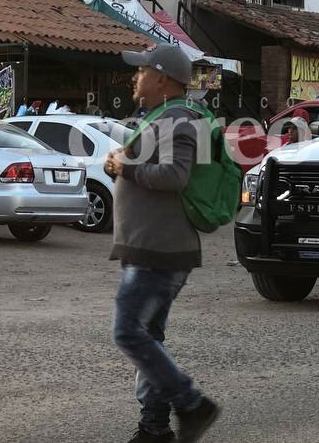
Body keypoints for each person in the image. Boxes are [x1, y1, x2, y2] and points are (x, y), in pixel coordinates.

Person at [104, 43, 220, 443]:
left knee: (127, 332)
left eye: (141, 71)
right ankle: (153, 427)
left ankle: (193, 403)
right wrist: (120, 164)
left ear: (163, 79)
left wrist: (127, 167)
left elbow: (175, 177)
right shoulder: (162, 118)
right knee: (147, 336)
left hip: (160, 249)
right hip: (151, 245)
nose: (135, 78)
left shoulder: (178, 121)